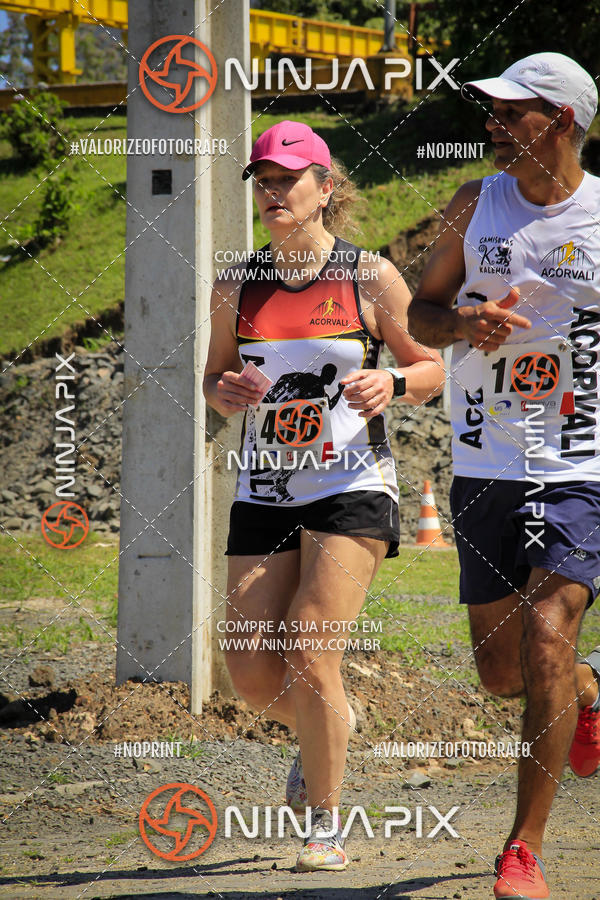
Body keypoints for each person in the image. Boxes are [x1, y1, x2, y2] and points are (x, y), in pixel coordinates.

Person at [203, 120, 445, 871]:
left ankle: (325, 826)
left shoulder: (369, 278)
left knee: (311, 645)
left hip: (351, 483)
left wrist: (393, 381)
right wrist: (229, 391)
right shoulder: (234, 284)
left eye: (287, 180)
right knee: (249, 673)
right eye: (264, 182)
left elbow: (434, 367)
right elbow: (211, 385)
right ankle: (331, 718)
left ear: (325, 188)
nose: (273, 193)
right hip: (266, 489)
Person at [408, 52, 600, 900]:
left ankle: (523, 848)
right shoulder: (472, 204)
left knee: (551, 631)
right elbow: (419, 311)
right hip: (486, 456)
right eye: (489, 110)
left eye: (509, 112)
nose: (490, 124)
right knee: (502, 668)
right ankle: (589, 697)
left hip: (582, 461)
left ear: (559, 121)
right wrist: (463, 322)